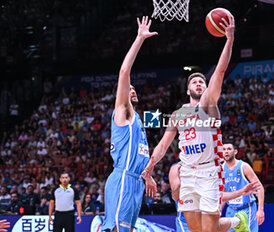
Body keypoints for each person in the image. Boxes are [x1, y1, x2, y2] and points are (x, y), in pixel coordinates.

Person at [143, 14, 250, 232]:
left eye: (202, 81)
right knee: (195, 228)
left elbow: (219, 72)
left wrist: (229, 40)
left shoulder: (208, 104)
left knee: (209, 229)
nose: (199, 83)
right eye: (195, 81)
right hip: (187, 172)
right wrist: (150, 166)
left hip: (209, 172)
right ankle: (237, 222)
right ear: (187, 89)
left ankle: (238, 221)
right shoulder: (177, 115)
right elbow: (163, 145)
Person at [101, 16, 158, 232]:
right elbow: (124, 72)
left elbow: (141, 153)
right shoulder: (122, 113)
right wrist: (140, 39)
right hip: (123, 178)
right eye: (128, 88)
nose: (131, 89)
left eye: (134, 88)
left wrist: (148, 176)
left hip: (137, 182)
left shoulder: (139, 121)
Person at [169, 162, 260, 232]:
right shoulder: (177, 168)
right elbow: (176, 196)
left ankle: (237, 221)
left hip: (205, 214)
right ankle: (236, 221)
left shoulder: (208, 169)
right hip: (186, 219)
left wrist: (241, 192)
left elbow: (219, 195)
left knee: (215, 226)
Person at [222, 144, 265, 232]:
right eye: (224, 149)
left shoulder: (244, 166)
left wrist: (260, 210)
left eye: (229, 149)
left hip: (246, 209)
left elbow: (260, 187)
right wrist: (218, 210)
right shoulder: (221, 169)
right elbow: (223, 194)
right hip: (230, 209)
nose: (226, 151)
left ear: (235, 152)